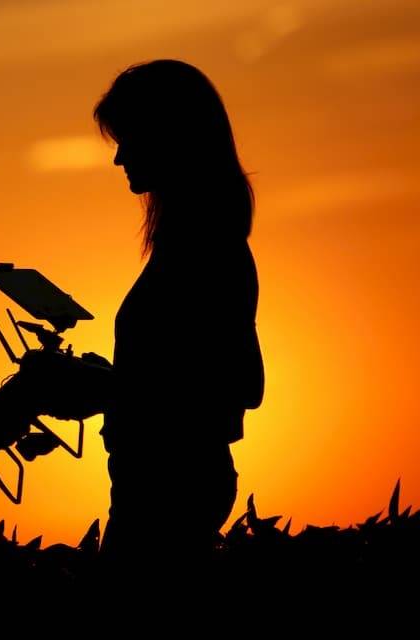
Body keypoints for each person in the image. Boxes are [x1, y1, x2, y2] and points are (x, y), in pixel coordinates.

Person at [90, 60, 264, 565]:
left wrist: (101, 387)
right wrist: (106, 380)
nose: (119, 158)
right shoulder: (192, 244)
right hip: (160, 484)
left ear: (169, 138)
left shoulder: (205, 248)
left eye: (130, 138)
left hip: (170, 490)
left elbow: (237, 384)